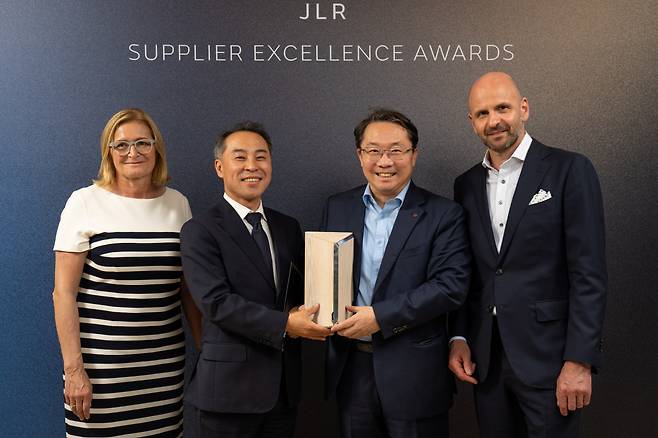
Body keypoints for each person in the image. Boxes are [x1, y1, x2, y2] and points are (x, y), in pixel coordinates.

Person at [449, 72, 607, 438]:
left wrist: (579, 360)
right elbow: (469, 271)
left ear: (524, 108)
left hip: (551, 362)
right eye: (483, 113)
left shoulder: (570, 169)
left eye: (502, 108)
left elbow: (589, 273)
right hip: (487, 363)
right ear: (472, 122)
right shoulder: (466, 184)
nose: (495, 120)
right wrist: (458, 337)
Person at [53, 108, 202, 437]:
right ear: (109, 153)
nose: (132, 152)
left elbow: (187, 290)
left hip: (162, 368)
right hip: (100, 372)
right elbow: (63, 294)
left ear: (156, 149)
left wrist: (205, 349)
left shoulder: (178, 204)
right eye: (121, 145)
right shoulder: (83, 202)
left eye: (142, 143)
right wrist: (74, 370)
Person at [322, 109, 471, 438]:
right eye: (373, 150)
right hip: (352, 370)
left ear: (414, 155)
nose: (384, 161)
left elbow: (451, 286)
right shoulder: (338, 207)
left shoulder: (444, 214)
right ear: (360, 155)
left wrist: (379, 317)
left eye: (396, 150)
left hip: (415, 374)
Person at [180, 122, 332, 438]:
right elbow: (216, 304)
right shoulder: (200, 230)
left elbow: (300, 291)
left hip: (283, 391)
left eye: (261, 157)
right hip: (228, 395)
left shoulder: (287, 226)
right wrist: (286, 324)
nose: (252, 166)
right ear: (220, 167)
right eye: (240, 157)